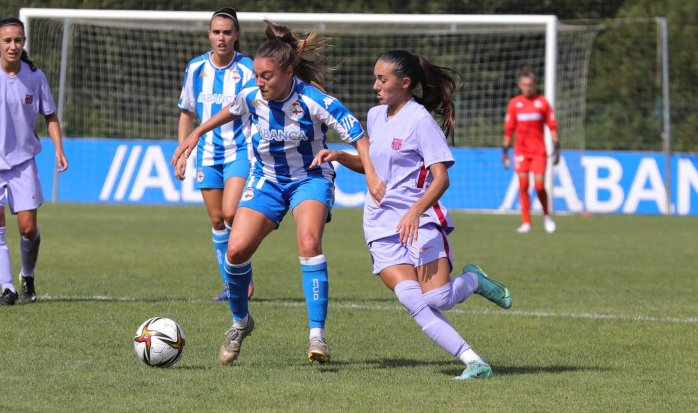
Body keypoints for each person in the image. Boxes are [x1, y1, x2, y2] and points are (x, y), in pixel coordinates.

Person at [172, 20, 378, 365]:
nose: (259, 82)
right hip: (266, 179)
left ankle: (317, 336)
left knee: (310, 243)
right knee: (235, 252)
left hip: (309, 179)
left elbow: (359, 136)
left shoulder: (315, 100)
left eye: (266, 76)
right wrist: (195, 134)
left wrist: (370, 175)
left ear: (288, 72)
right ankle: (240, 323)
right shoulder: (253, 95)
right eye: (256, 74)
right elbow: (231, 109)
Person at [312, 50, 512, 380]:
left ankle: (473, 279)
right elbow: (372, 167)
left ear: (404, 83)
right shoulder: (376, 115)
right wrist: (340, 155)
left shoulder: (421, 122)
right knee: (414, 302)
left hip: (420, 221)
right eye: (375, 77)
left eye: (382, 79)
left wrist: (414, 212)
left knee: (438, 297)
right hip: (379, 226)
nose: (374, 84)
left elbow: (441, 177)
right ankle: (473, 361)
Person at [0, 17, 68, 306]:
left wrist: (58, 148)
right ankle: (8, 289)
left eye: (18, 40)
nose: (13, 45)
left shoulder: (35, 77)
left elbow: (50, 115)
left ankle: (27, 276)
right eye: (7, 40)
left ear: (23, 43)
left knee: (28, 229)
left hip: (23, 162)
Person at [176, 8, 255, 302]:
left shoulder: (248, 69)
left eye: (227, 32)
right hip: (207, 153)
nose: (221, 38)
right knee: (216, 220)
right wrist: (183, 151)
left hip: (240, 150)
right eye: (216, 32)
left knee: (231, 213)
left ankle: (243, 276)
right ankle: (230, 286)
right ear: (209, 35)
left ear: (236, 36)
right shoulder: (196, 68)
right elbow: (186, 111)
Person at [502, 66, 559, 234]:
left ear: (535, 85)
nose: (528, 88)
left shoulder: (542, 103)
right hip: (521, 151)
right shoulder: (514, 104)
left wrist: (556, 147)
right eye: (525, 85)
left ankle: (547, 216)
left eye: (531, 85)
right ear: (520, 85)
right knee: (523, 185)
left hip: (539, 151)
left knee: (540, 186)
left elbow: (552, 125)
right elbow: (509, 129)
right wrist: (505, 150)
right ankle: (526, 222)